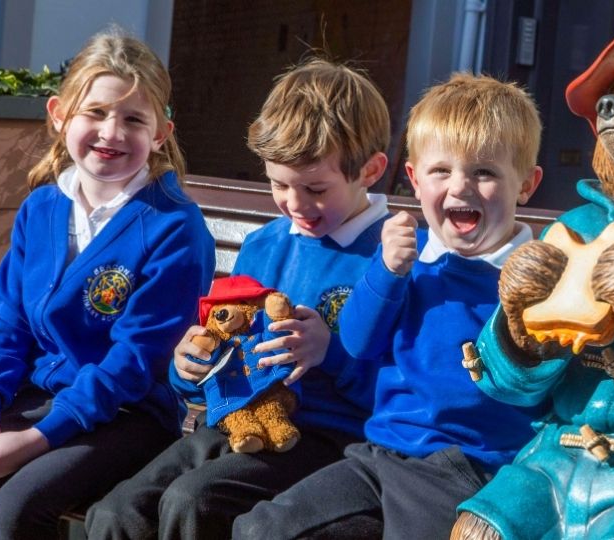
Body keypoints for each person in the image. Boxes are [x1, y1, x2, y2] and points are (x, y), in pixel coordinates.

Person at [85, 58, 393, 539]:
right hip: (230, 421)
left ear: (371, 171)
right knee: (116, 512)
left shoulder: (387, 259)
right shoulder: (263, 244)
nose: (295, 204)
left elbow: (401, 385)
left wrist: (329, 353)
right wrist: (187, 368)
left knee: (194, 501)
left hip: (325, 437)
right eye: (278, 184)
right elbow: (221, 342)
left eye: (315, 188)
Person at [231, 72, 544, 539]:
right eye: (441, 171)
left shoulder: (532, 279)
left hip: (465, 466)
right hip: (379, 452)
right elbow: (359, 343)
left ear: (525, 184)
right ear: (415, 180)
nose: (460, 188)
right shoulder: (411, 259)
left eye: (484, 172)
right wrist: (386, 271)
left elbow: (541, 388)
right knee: (263, 529)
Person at [0, 28, 215, 538]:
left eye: (133, 119)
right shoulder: (41, 208)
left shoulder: (173, 228)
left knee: (16, 508)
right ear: (59, 115)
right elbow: (6, 327)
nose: (112, 132)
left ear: (161, 133)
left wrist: (37, 438)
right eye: (96, 113)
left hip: (125, 413)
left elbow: (134, 363)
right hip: (37, 394)